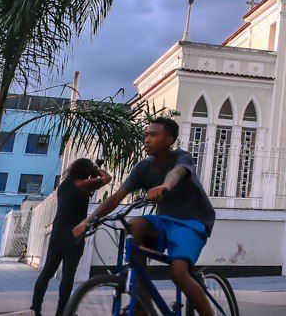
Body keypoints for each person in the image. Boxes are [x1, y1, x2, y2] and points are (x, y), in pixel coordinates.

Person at [73, 117, 217, 316]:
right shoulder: (142, 168)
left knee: (178, 272)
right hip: (165, 220)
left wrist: (165, 185)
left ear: (169, 140)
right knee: (136, 225)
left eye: (153, 135)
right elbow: (116, 197)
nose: (147, 139)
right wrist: (88, 221)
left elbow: (177, 172)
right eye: (146, 135)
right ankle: (141, 303)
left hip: (192, 221)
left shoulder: (182, 157)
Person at [30, 158, 111, 316]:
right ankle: (62, 311)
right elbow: (107, 178)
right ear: (86, 172)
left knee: (47, 272)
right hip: (74, 235)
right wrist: (96, 167)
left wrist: (91, 170)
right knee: (68, 275)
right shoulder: (84, 185)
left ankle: (36, 306)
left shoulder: (63, 187)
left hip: (57, 233)